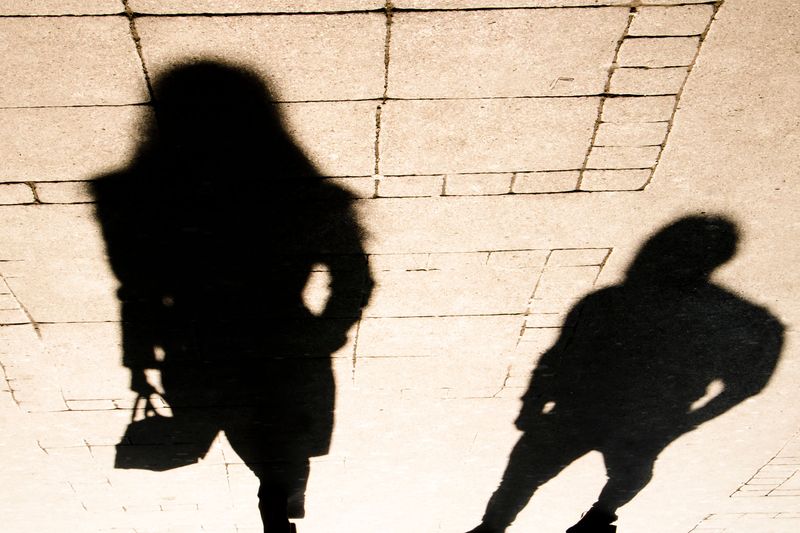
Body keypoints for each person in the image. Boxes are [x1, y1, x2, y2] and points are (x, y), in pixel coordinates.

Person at [94, 61, 373, 533]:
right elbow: (354, 278)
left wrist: (139, 361)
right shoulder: (307, 196)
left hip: (196, 348)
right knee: (279, 447)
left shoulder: (136, 198)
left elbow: (138, 290)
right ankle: (281, 501)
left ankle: (279, 499)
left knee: (240, 430)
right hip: (283, 342)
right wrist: (324, 334)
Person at [466, 216, 783, 533]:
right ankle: (599, 517)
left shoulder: (609, 300)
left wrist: (532, 404)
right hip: (646, 417)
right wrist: (688, 420)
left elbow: (557, 358)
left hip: (582, 409)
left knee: (525, 473)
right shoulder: (734, 316)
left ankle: (494, 527)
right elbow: (747, 383)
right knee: (629, 473)